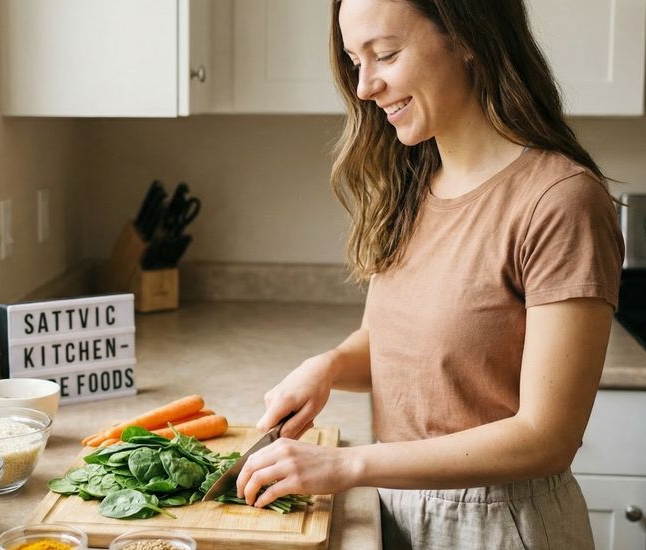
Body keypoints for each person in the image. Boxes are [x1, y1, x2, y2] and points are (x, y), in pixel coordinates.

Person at [236, 0, 624, 548]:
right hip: (394, 509)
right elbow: (394, 345)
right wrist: (325, 368)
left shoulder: (561, 202)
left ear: (467, 37)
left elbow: (548, 437)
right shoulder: (412, 185)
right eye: (354, 62)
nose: (365, 86)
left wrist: (348, 466)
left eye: (386, 55)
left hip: (500, 526)